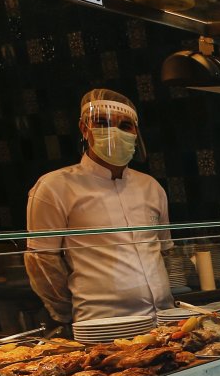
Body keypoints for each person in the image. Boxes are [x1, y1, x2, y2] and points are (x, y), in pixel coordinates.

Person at [26, 89, 172, 327]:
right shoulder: (54, 186)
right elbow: (42, 263)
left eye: (125, 125)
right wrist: (67, 313)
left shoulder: (151, 186)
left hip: (164, 320)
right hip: (103, 326)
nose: (114, 132)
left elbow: (163, 250)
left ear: (136, 133)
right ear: (84, 128)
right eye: (102, 123)